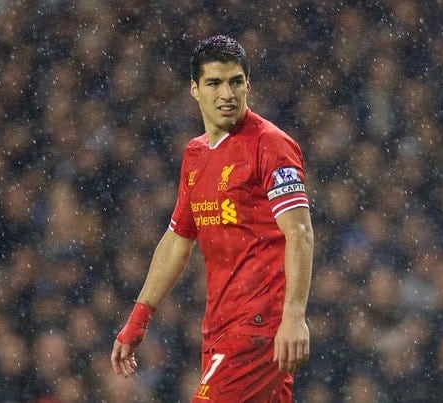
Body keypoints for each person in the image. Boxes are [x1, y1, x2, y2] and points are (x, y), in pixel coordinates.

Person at [110, 35, 314, 402]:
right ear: (194, 89)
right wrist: (139, 317)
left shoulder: (271, 145)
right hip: (219, 326)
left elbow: (299, 233)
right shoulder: (195, 154)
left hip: (258, 325)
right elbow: (177, 239)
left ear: (248, 85)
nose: (227, 93)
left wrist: (294, 315)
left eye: (236, 81)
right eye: (214, 83)